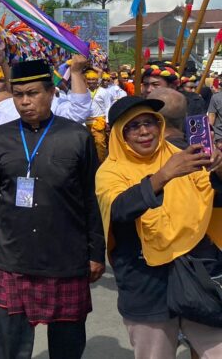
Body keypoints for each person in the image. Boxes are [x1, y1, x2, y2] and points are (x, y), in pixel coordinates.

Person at [0, 59, 106, 359]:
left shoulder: (76, 137)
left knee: (67, 347)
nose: (25, 102)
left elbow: (91, 199)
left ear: (52, 92)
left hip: (65, 258)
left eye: (33, 93)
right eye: (18, 95)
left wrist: (96, 252)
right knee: (8, 349)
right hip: (11, 259)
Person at [95, 96, 222, 358]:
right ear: (120, 134)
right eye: (133, 126)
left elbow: (212, 197)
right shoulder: (110, 171)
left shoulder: (183, 156)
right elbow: (119, 209)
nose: (144, 131)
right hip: (146, 282)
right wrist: (163, 176)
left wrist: (220, 173)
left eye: (150, 123)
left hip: (197, 272)